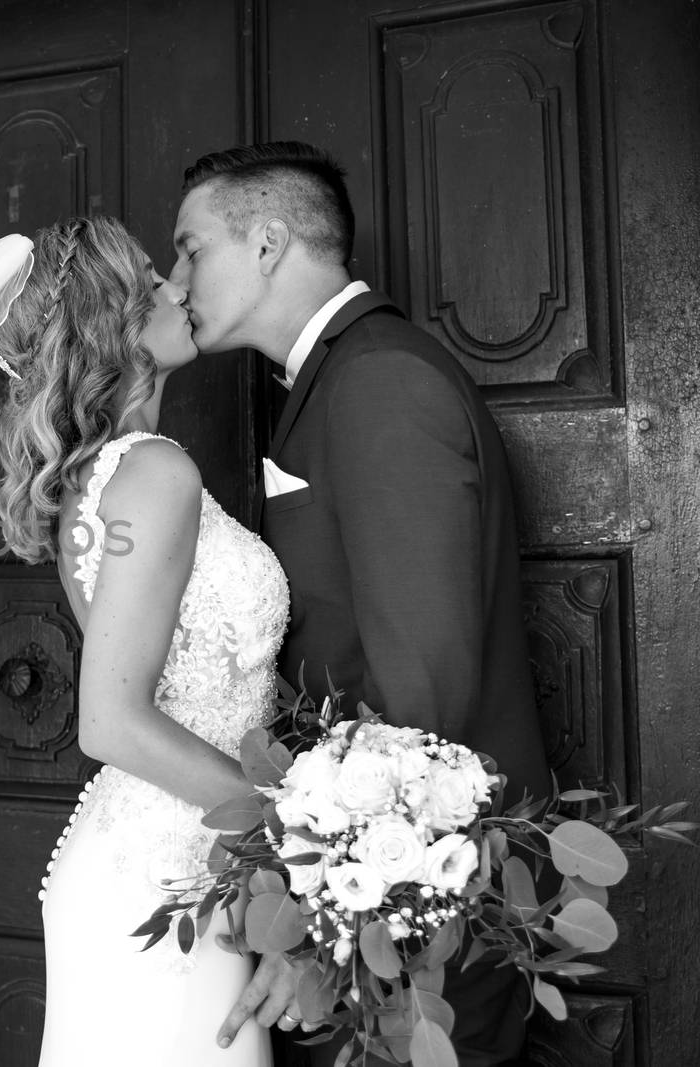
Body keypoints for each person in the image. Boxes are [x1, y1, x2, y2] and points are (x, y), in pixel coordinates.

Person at [167, 141, 552, 1066]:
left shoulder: (379, 378)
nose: (175, 278)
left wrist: (322, 931)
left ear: (267, 243)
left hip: (431, 916)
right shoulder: (335, 378)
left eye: (190, 248)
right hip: (389, 908)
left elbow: (424, 691)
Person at [0, 215, 287, 1066]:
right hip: (171, 881)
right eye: (155, 278)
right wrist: (288, 832)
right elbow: (111, 721)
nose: (179, 287)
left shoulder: (101, 474)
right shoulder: (153, 471)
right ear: (108, 318)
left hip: (163, 864)